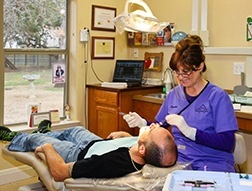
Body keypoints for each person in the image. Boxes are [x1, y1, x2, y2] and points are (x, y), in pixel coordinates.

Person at [123, 35, 238, 172]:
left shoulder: (217, 97)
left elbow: (228, 143)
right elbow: (160, 127)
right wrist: (143, 124)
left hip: (212, 163)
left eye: (186, 72)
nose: (181, 77)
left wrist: (192, 133)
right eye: (177, 72)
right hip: (179, 163)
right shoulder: (174, 95)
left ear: (200, 66)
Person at [0, 122, 177, 181]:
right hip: (96, 143)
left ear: (142, 148)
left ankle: (14, 137)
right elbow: (139, 147)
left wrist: (47, 149)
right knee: (73, 130)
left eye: (152, 130)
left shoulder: (109, 163)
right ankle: (46, 131)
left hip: (77, 154)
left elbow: (60, 173)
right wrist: (125, 136)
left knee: (36, 140)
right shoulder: (143, 151)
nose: (152, 125)